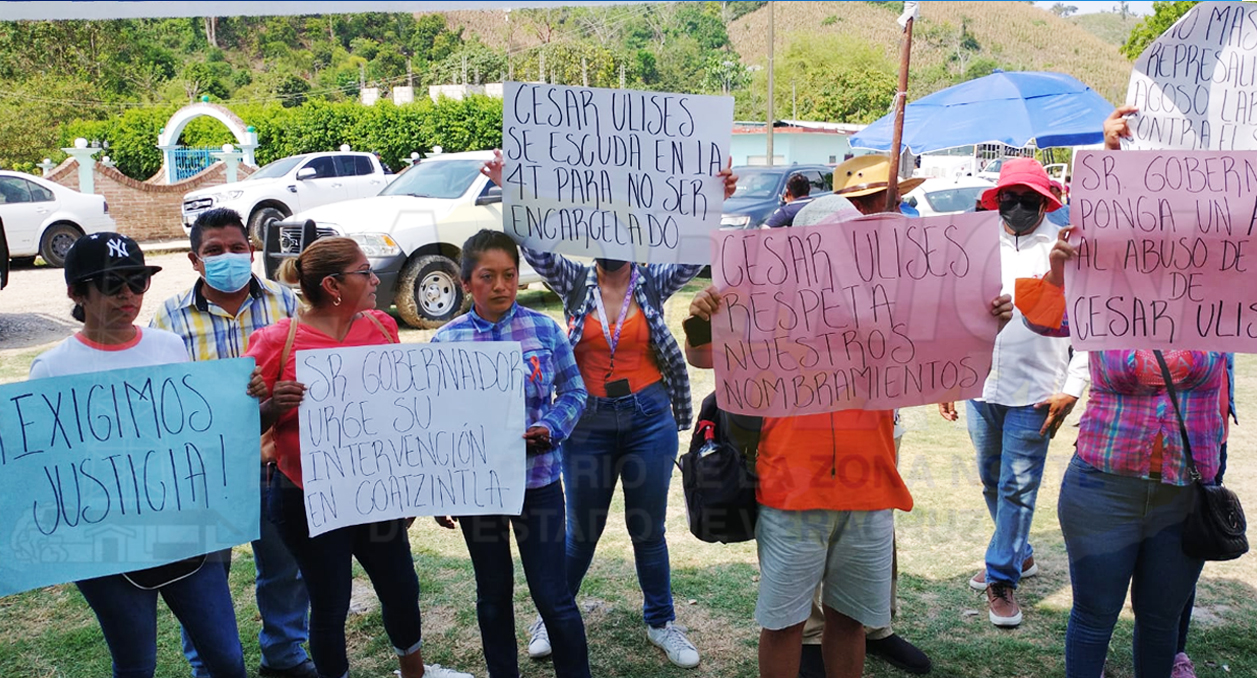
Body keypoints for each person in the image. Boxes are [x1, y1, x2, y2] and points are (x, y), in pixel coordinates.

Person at [681, 200, 1014, 678]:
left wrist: (987, 321)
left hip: (868, 492)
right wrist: (700, 317)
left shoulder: (888, 310)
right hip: (791, 492)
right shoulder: (768, 310)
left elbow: (945, 348)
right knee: (784, 624)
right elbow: (701, 356)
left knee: (851, 620)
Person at [481, 149, 735, 669]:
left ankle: (661, 620)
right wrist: (511, 188)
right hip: (588, 422)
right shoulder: (576, 282)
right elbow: (535, 248)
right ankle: (552, 616)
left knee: (648, 528)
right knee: (581, 530)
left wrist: (714, 197)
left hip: (648, 418)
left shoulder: (654, 280)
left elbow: (693, 252)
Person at [243, 237, 471, 678]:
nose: (374, 280)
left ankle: (414, 672)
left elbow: (400, 412)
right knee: (330, 602)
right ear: (332, 285)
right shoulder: (276, 341)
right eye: (364, 272)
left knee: (401, 587)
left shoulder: (382, 327)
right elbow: (239, 427)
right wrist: (272, 406)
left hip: (375, 493)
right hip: (307, 498)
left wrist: (408, 488)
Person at [30, 232, 249, 678]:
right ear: (77, 293)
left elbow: (192, 431)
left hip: (185, 532)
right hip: (106, 546)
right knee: (136, 664)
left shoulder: (168, 346)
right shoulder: (52, 369)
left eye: (138, 281)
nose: (128, 294)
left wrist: (246, 404)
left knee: (227, 658)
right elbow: (43, 469)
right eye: (113, 284)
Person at [1014, 225, 1228, 678]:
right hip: (1101, 489)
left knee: (1161, 621)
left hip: (1185, 494)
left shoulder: (1220, 292)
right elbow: (1040, 320)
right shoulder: (1099, 293)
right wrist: (1059, 275)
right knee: (1094, 617)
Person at [150, 208, 316, 678]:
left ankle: (284, 654)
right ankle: (208, 665)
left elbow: (308, 369)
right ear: (194, 260)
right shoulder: (169, 317)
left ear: (252, 251)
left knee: (285, 566)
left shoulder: (286, 303)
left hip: (274, 463)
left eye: (237, 247)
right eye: (214, 250)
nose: (228, 256)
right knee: (201, 575)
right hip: (205, 470)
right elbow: (161, 396)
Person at [789, 156, 932, 676]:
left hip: (873, 432)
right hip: (803, 448)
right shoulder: (787, 293)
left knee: (872, 523)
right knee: (808, 532)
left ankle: (875, 627)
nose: (882, 212)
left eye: (888, 200)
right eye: (870, 202)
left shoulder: (889, 262)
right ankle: (810, 635)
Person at [937, 157, 1089, 629]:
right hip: (981, 383)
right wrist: (949, 374)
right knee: (990, 477)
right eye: (1009, 197)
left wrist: (1073, 387)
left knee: (1017, 486)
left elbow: (1090, 323)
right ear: (996, 199)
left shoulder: (1066, 247)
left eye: (1028, 198)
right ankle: (1019, 551)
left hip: (1038, 388)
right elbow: (952, 309)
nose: (1017, 206)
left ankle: (1002, 577)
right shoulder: (975, 246)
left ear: (1045, 202)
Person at [433, 229, 591, 678]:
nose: (501, 285)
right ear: (466, 282)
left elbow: (574, 392)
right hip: (478, 491)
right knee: (492, 594)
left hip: (537, 482)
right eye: (487, 276)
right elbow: (435, 419)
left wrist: (550, 428)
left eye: (509, 274)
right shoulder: (447, 342)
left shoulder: (544, 329)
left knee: (553, 595)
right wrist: (442, 489)